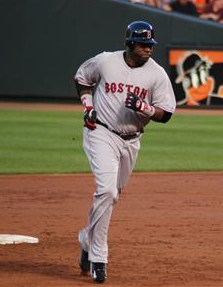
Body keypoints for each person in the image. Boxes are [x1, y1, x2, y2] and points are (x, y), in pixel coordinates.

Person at [74, 21, 176, 284]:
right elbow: (82, 79)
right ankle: (99, 258)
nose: (148, 49)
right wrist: (87, 106)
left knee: (113, 196)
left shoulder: (157, 74)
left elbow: (167, 113)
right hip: (101, 132)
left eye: (150, 45)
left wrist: (146, 108)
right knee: (106, 191)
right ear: (130, 43)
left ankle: (87, 239)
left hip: (132, 140)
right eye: (143, 44)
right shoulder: (106, 61)